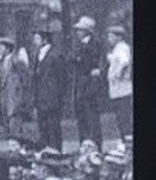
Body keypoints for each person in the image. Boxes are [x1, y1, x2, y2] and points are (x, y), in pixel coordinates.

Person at [32, 24, 68, 151]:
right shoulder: (38, 54)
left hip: (53, 99)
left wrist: (60, 96)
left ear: (45, 39)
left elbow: (62, 77)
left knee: (54, 129)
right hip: (41, 99)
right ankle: (45, 154)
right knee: (43, 129)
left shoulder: (56, 54)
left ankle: (56, 153)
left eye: (37, 38)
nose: (34, 41)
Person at [71, 16, 106, 147]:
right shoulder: (78, 45)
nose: (77, 32)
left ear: (87, 31)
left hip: (91, 86)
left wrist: (99, 71)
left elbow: (102, 62)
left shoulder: (97, 43)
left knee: (92, 117)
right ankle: (84, 146)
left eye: (80, 30)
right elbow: (74, 60)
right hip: (80, 86)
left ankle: (96, 146)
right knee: (82, 118)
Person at [105, 23, 132, 141]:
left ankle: (127, 144)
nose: (109, 39)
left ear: (119, 37)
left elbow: (124, 62)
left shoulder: (122, 47)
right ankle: (125, 142)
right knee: (121, 119)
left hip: (122, 89)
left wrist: (118, 74)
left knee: (124, 119)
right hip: (117, 90)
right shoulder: (117, 48)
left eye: (111, 36)